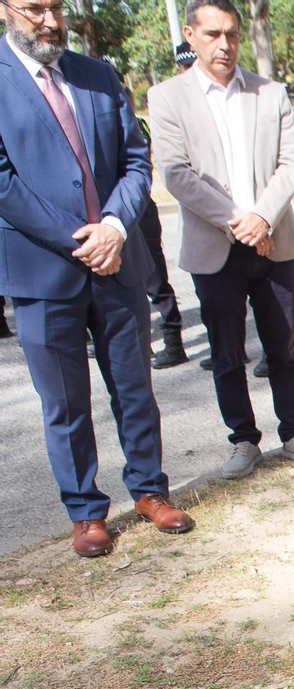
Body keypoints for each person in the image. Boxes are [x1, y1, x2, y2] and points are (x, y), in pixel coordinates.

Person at [0, 0, 194, 556]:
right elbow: (4, 182)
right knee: (65, 403)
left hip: (118, 261)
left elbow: (136, 161)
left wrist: (112, 226)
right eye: (35, 9)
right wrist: (79, 239)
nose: (50, 21)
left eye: (57, 7)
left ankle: (150, 490)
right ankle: (86, 511)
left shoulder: (98, 76)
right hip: (43, 273)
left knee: (135, 389)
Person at [148, 0, 294, 480]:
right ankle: (243, 440)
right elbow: (177, 174)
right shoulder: (167, 97)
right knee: (226, 356)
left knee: (283, 346)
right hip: (216, 249)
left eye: (231, 34)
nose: (225, 44)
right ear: (190, 36)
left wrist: (262, 218)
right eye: (213, 34)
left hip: (273, 243)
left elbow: (289, 163)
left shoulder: (269, 92)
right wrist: (239, 222)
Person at [134, 119, 188, 369]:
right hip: (113, 213)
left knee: (154, 280)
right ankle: (139, 343)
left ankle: (173, 343)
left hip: (139, 209)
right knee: (124, 285)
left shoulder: (135, 124)